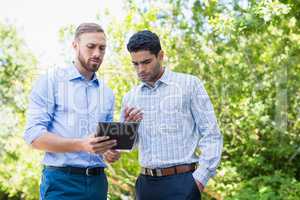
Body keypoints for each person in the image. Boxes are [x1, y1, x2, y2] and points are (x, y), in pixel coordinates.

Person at [121, 30, 223, 200]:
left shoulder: (190, 85)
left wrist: (199, 180)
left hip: (183, 183)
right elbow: (130, 146)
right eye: (135, 64)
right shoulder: (130, 97)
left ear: (160, 56)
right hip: (145, 186)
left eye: (146, 62)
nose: (141, 70)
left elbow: (211, 134)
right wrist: (129, 127)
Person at [24, 23, 120, 200]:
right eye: (91, 47)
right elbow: (33, 136)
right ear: (75, 46)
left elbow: (103, 144)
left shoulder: (107, 93)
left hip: (98, 184)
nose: (97, 53)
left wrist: (110, 152)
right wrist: (81, 145)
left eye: (102, 48)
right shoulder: (51, 81)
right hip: (61, 183)